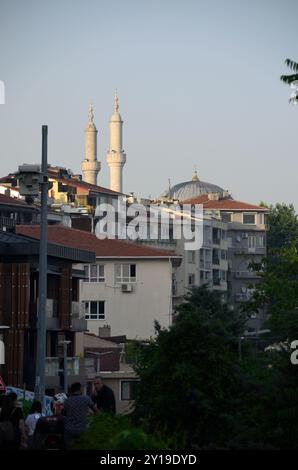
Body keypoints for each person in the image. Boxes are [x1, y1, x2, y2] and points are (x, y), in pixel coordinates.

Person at [63, 382, 98, 449]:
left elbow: (64, 413)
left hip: (69, 430)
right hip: (83, 430)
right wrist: (91, 416)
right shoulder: (86, 398)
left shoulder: (67, 401)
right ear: (79, 389)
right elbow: (96, 411)